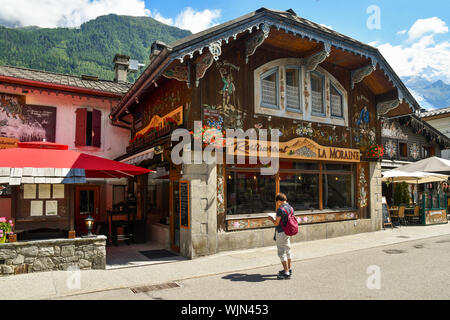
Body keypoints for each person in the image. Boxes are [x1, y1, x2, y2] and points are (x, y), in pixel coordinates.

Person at [269, 193, 293, 280]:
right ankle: (288, 269)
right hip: (288, 231)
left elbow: (276, 223)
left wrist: (271, 219)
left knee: (281, 252)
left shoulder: (280, 209)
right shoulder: (290, 208)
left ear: (279, 201)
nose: (277, 203)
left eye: (277, 202)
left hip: (281, 232)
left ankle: (286, 272)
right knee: (288, 250)